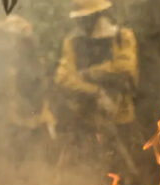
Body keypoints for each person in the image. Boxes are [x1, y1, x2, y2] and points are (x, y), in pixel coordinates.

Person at [54, 0, 139, 174]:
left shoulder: (121, 37)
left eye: (86, 17)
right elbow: (63, 77)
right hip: (84, 118)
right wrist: (96, 92)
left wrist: (90, 73)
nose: (82, 22)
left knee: (124, 172)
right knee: (83, 173)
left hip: (120, 115)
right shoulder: (73, 42)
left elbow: (124, 67)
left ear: (98, 15)